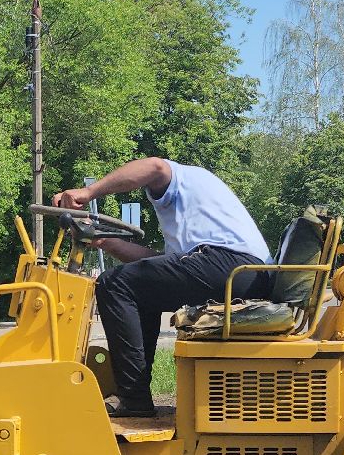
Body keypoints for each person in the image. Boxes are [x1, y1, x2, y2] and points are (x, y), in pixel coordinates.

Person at [54, 157, 270, 418]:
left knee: (114, 284)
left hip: (234, 266)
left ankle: (134, 399)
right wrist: (104, 241)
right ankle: (135, 399)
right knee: (138, 290)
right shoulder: (195, 222)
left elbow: (155, 166)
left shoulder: (179, 179)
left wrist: (89, 192)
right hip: (241, 273)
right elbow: (154, 264)